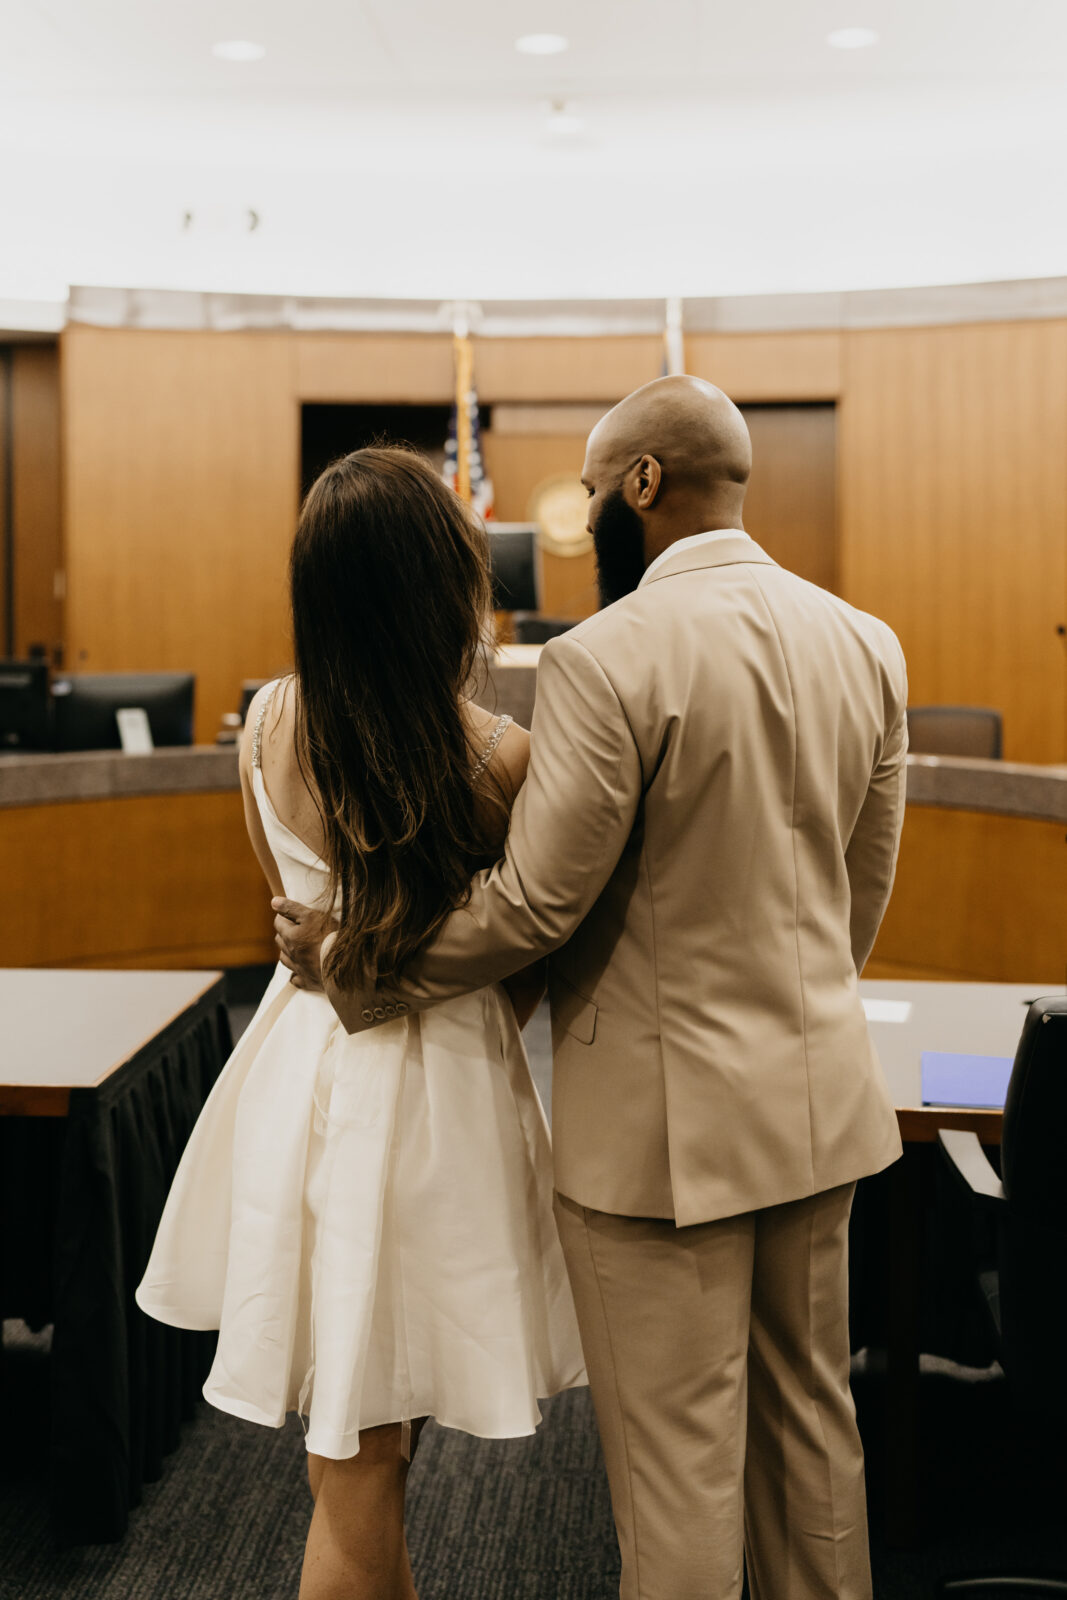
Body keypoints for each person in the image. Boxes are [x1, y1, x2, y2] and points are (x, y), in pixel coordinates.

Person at [275, 376, 909, 1600]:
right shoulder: (863, 639)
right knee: (815, 1448)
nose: (581, 512)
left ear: (641, 484)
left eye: (587, 485)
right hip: (822, 1105)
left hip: (659, 1142)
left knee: (677, 1483)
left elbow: (531, 906)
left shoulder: (603, 656)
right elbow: (853, 898)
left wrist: (356, 962)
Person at [136, 447, 586, 1600]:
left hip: (295, 1079)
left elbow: (282, 912)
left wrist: (333, 961)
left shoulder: (268, 718)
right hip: (434, 1105)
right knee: (362, 1453)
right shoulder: (497, 759)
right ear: (444, 584)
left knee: (353, 1440)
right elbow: (523, 960)